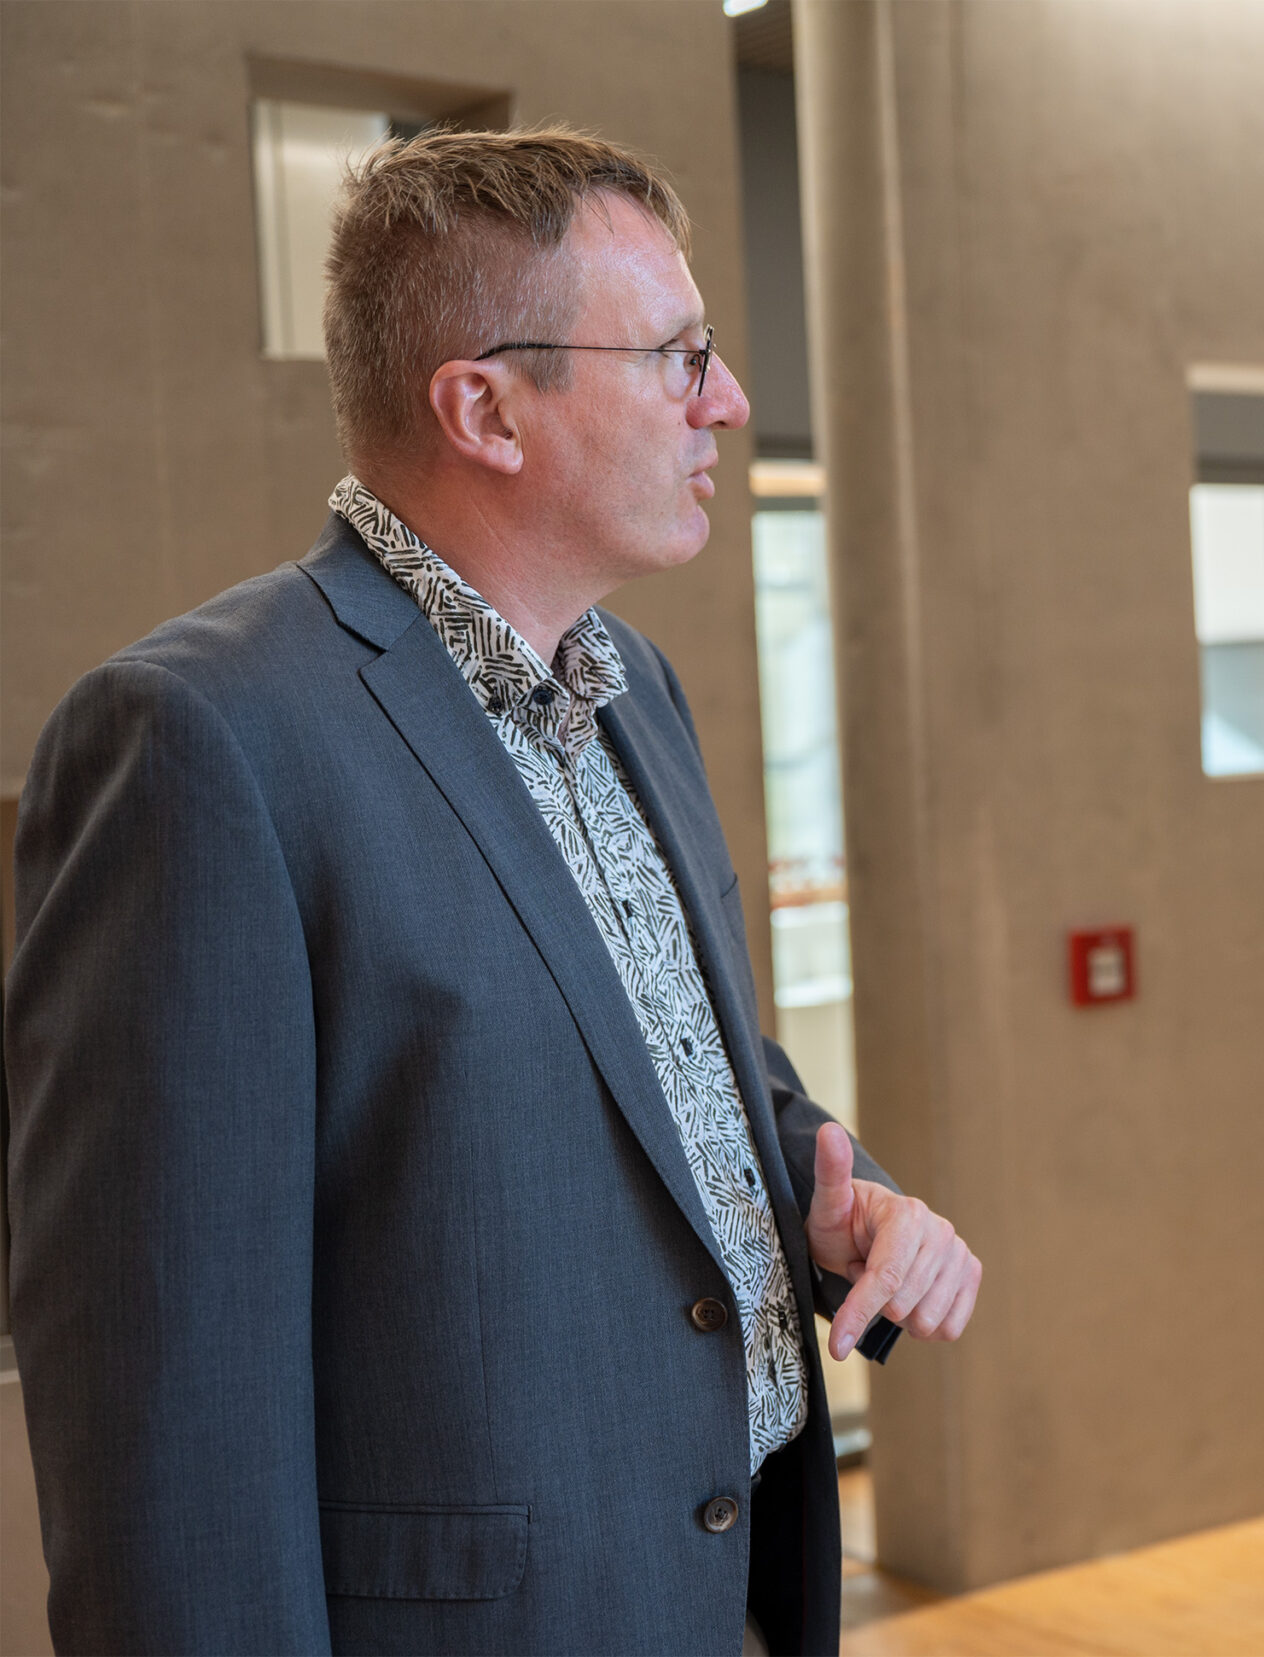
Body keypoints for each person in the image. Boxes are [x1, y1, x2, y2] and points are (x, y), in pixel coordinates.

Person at [4, 127, 981, 1654]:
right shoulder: (200, 741)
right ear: (487, 408)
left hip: (723, 1600)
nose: (725, 399)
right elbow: (160, 1425)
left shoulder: (633, 687)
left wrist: (828, 1194)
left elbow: (667, 1075)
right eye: (677, 354)